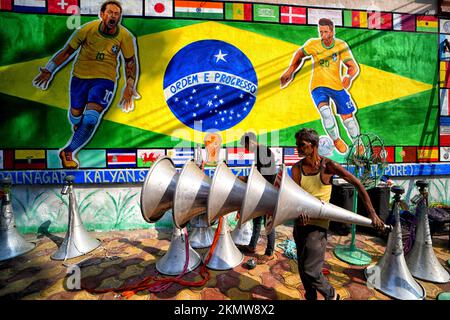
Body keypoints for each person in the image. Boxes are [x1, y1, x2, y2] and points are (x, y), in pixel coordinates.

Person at [32, 0, 140, 169]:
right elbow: (67, 51)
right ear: (102, 15)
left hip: (105, 81)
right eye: (110, 12)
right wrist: (49, 69)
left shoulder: (125, 37)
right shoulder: (86, 30)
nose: (113, 16)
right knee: (75, 115)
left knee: (90, 120)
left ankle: (68, 151)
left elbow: (129, 63)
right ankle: (77, 123)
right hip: (80, 78)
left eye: (116, 13)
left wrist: (130, 84)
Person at [291, 128, 385, 300]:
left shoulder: (328, 166)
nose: (298, 148)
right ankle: (310, 296)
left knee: (310, 269)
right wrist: (298, 214)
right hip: (301, 223)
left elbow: (358, 183)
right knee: (302, 265)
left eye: (302, 145)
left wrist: (373, 214)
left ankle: (331, 295)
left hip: (318, 226)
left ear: (314, 146)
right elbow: (295, 196)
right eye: (297, 144)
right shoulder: (296, 168)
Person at [280, 18, 362, 155]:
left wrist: (348, 77)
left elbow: (353, 67)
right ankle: (336, 140)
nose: (322, 35)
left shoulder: (341, 45)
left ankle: (358, 143)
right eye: (320, 32)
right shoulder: (313, 44)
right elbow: (299, 54)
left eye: (325, 32)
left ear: (332, 31)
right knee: (326, 113)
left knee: (348, 120)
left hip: (336, 86)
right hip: (318, 86)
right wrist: (290, 70)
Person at [237, 132, 277, 264]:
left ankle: (270, 252)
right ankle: (252, 246)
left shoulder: (263, 152)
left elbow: (264, 177)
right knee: (256, 220)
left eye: (246, 146)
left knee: (268, 223)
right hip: (261, 191)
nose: (247, 150)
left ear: (251, 142)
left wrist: (245, 179)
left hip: (267, 192)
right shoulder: (260, 152)